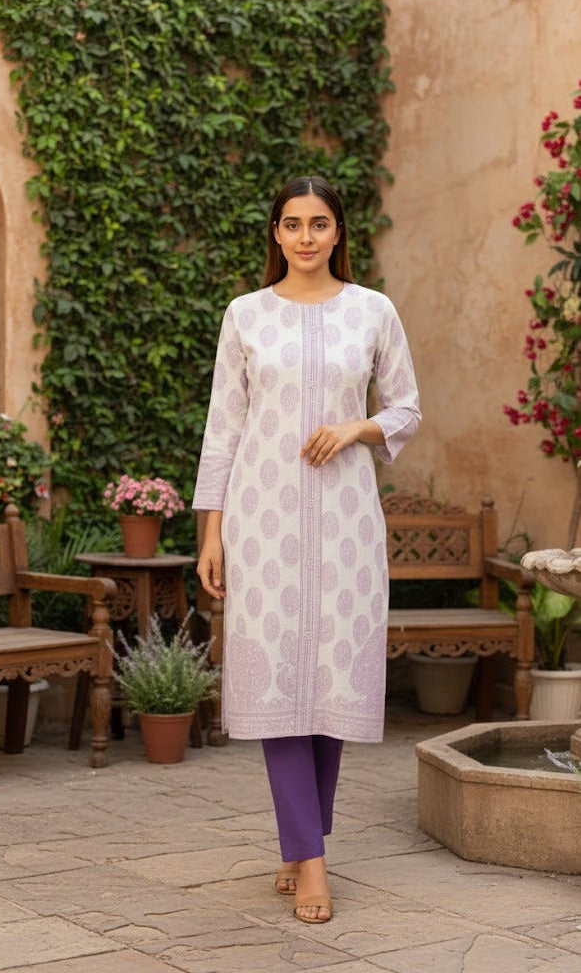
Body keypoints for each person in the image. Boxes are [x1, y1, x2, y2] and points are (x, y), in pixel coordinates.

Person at [192, 175, 421, 924]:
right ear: (275, 234)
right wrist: (211, 530)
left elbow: (406, 406)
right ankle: (312, 859)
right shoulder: (245, 315)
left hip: (348, 524)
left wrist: (356, 428)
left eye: (318, 223)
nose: (305, 237)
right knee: (277, 683)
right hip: (262, 521)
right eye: (291, 224)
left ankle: (299, 839)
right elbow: (222, 428)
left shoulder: (372, 311)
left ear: (337, 232)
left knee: (329, 685)